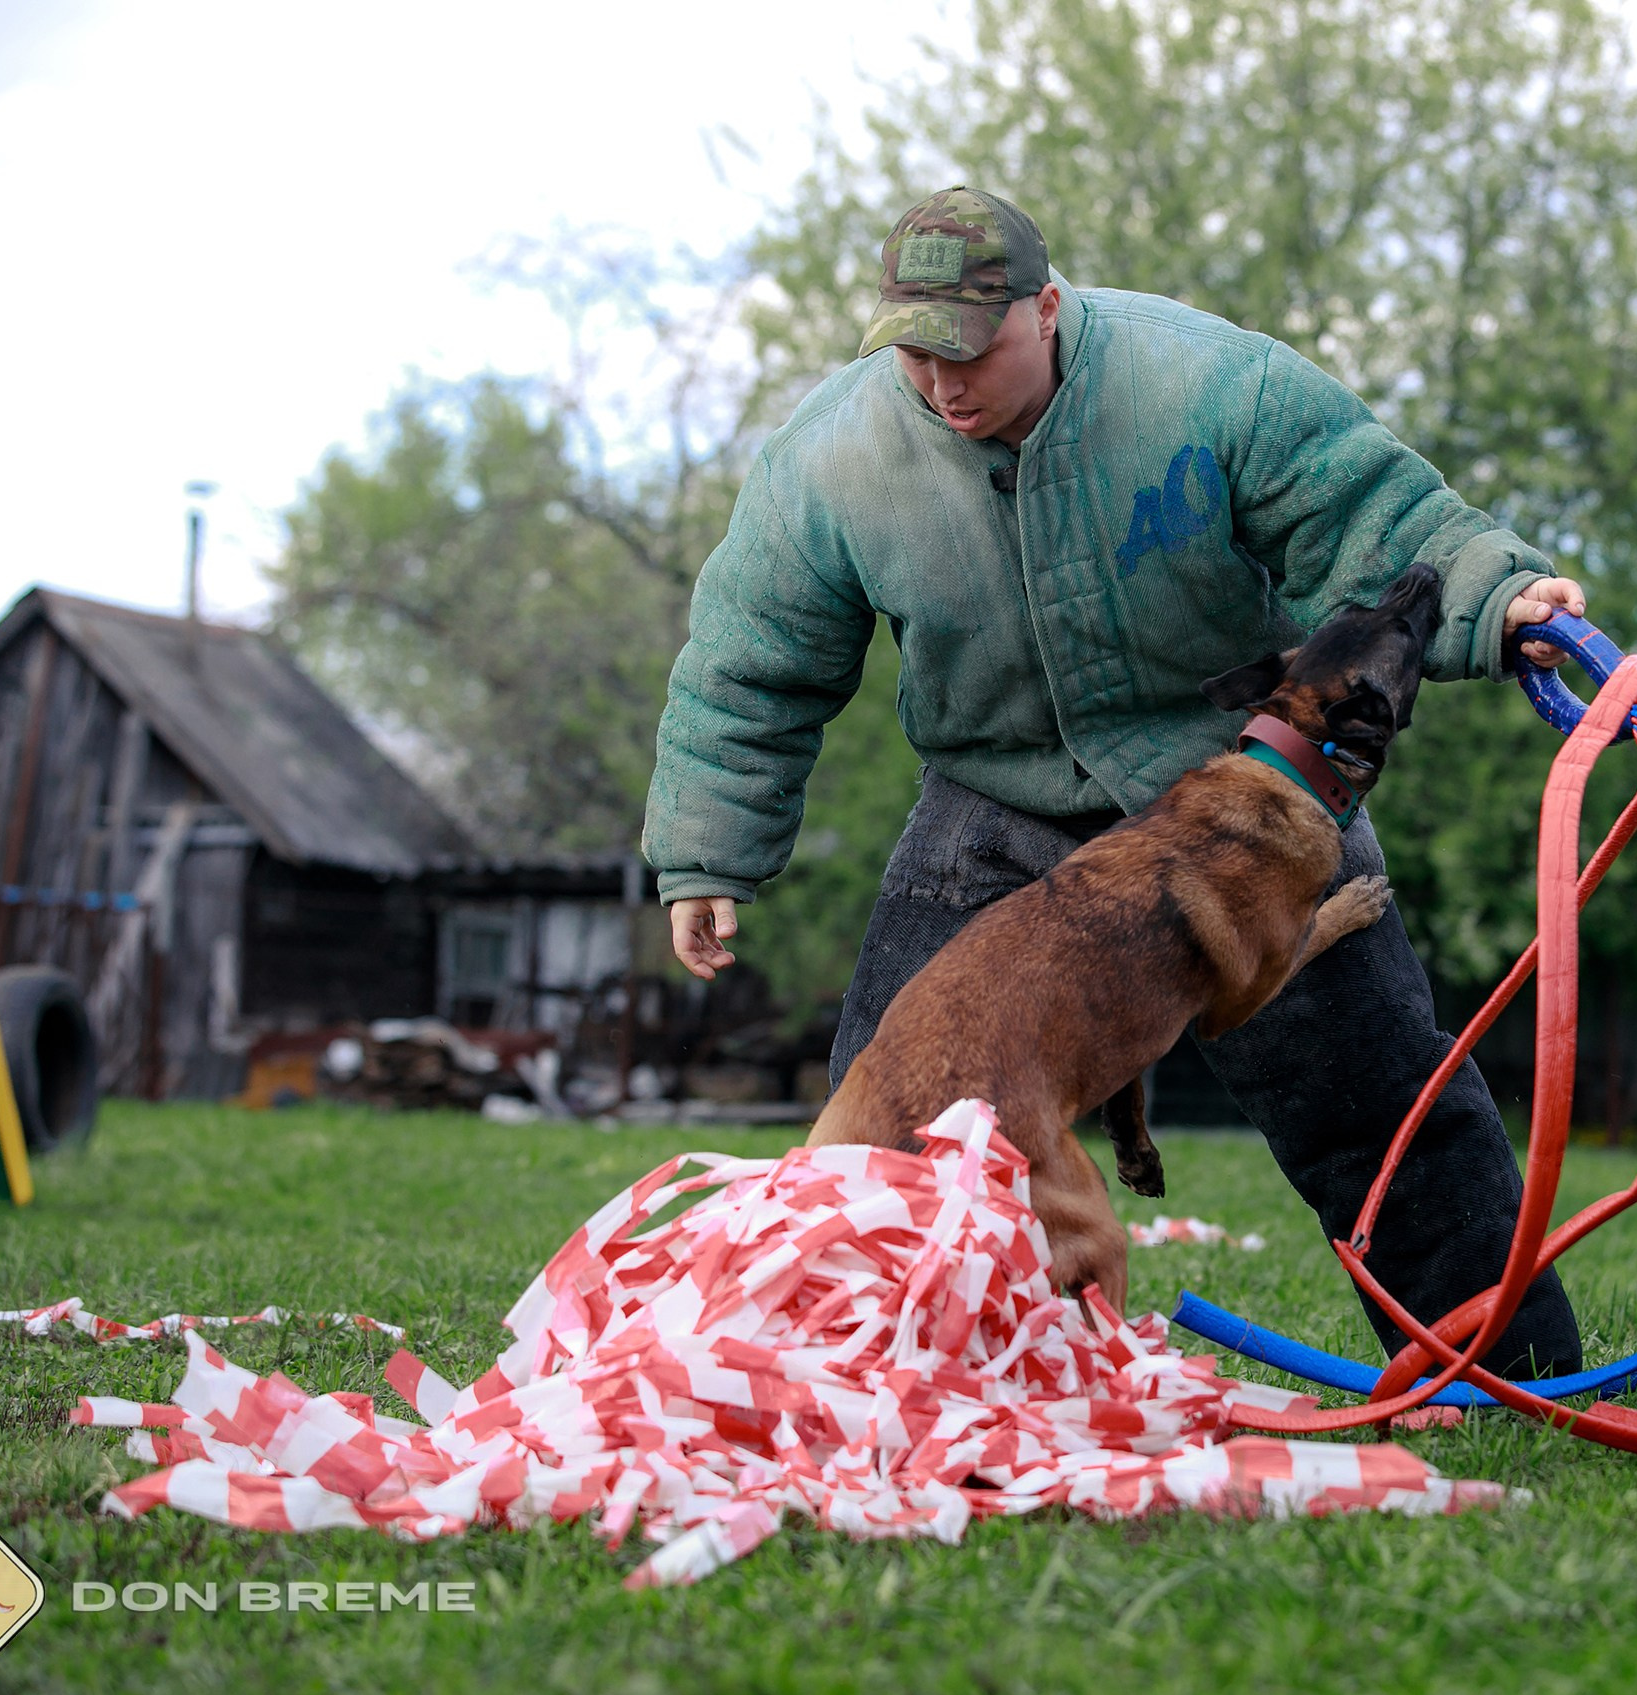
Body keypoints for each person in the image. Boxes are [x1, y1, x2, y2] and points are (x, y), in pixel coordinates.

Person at [643, 186, 1588, 1379]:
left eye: (971, 350)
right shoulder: (828, 461)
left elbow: (1377, 521)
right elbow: (747, 666)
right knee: (883, 1120)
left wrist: (1501, 596)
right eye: (914, 355)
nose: (942, 386)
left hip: (1237, 796)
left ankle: (1515, 1372)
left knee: (1379, 1096)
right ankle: (855, 1380)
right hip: (992, 802)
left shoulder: (1206, 384)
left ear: (1046, 308)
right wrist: (706, 850)